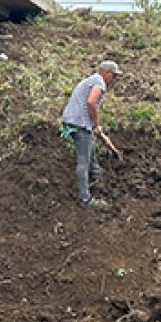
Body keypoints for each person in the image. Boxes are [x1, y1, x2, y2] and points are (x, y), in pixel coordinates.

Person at [61, 60, 121, 210]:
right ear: (106, 73)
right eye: (114, 76)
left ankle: (97, 175)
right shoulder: (99, 82)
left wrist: (95, 127)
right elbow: (91, 102)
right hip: (79, 123)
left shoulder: (91, 80)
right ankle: (85, 199)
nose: (114, 80)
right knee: (83, 160)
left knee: (89, 147)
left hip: (73, 121)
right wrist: (96, 124)